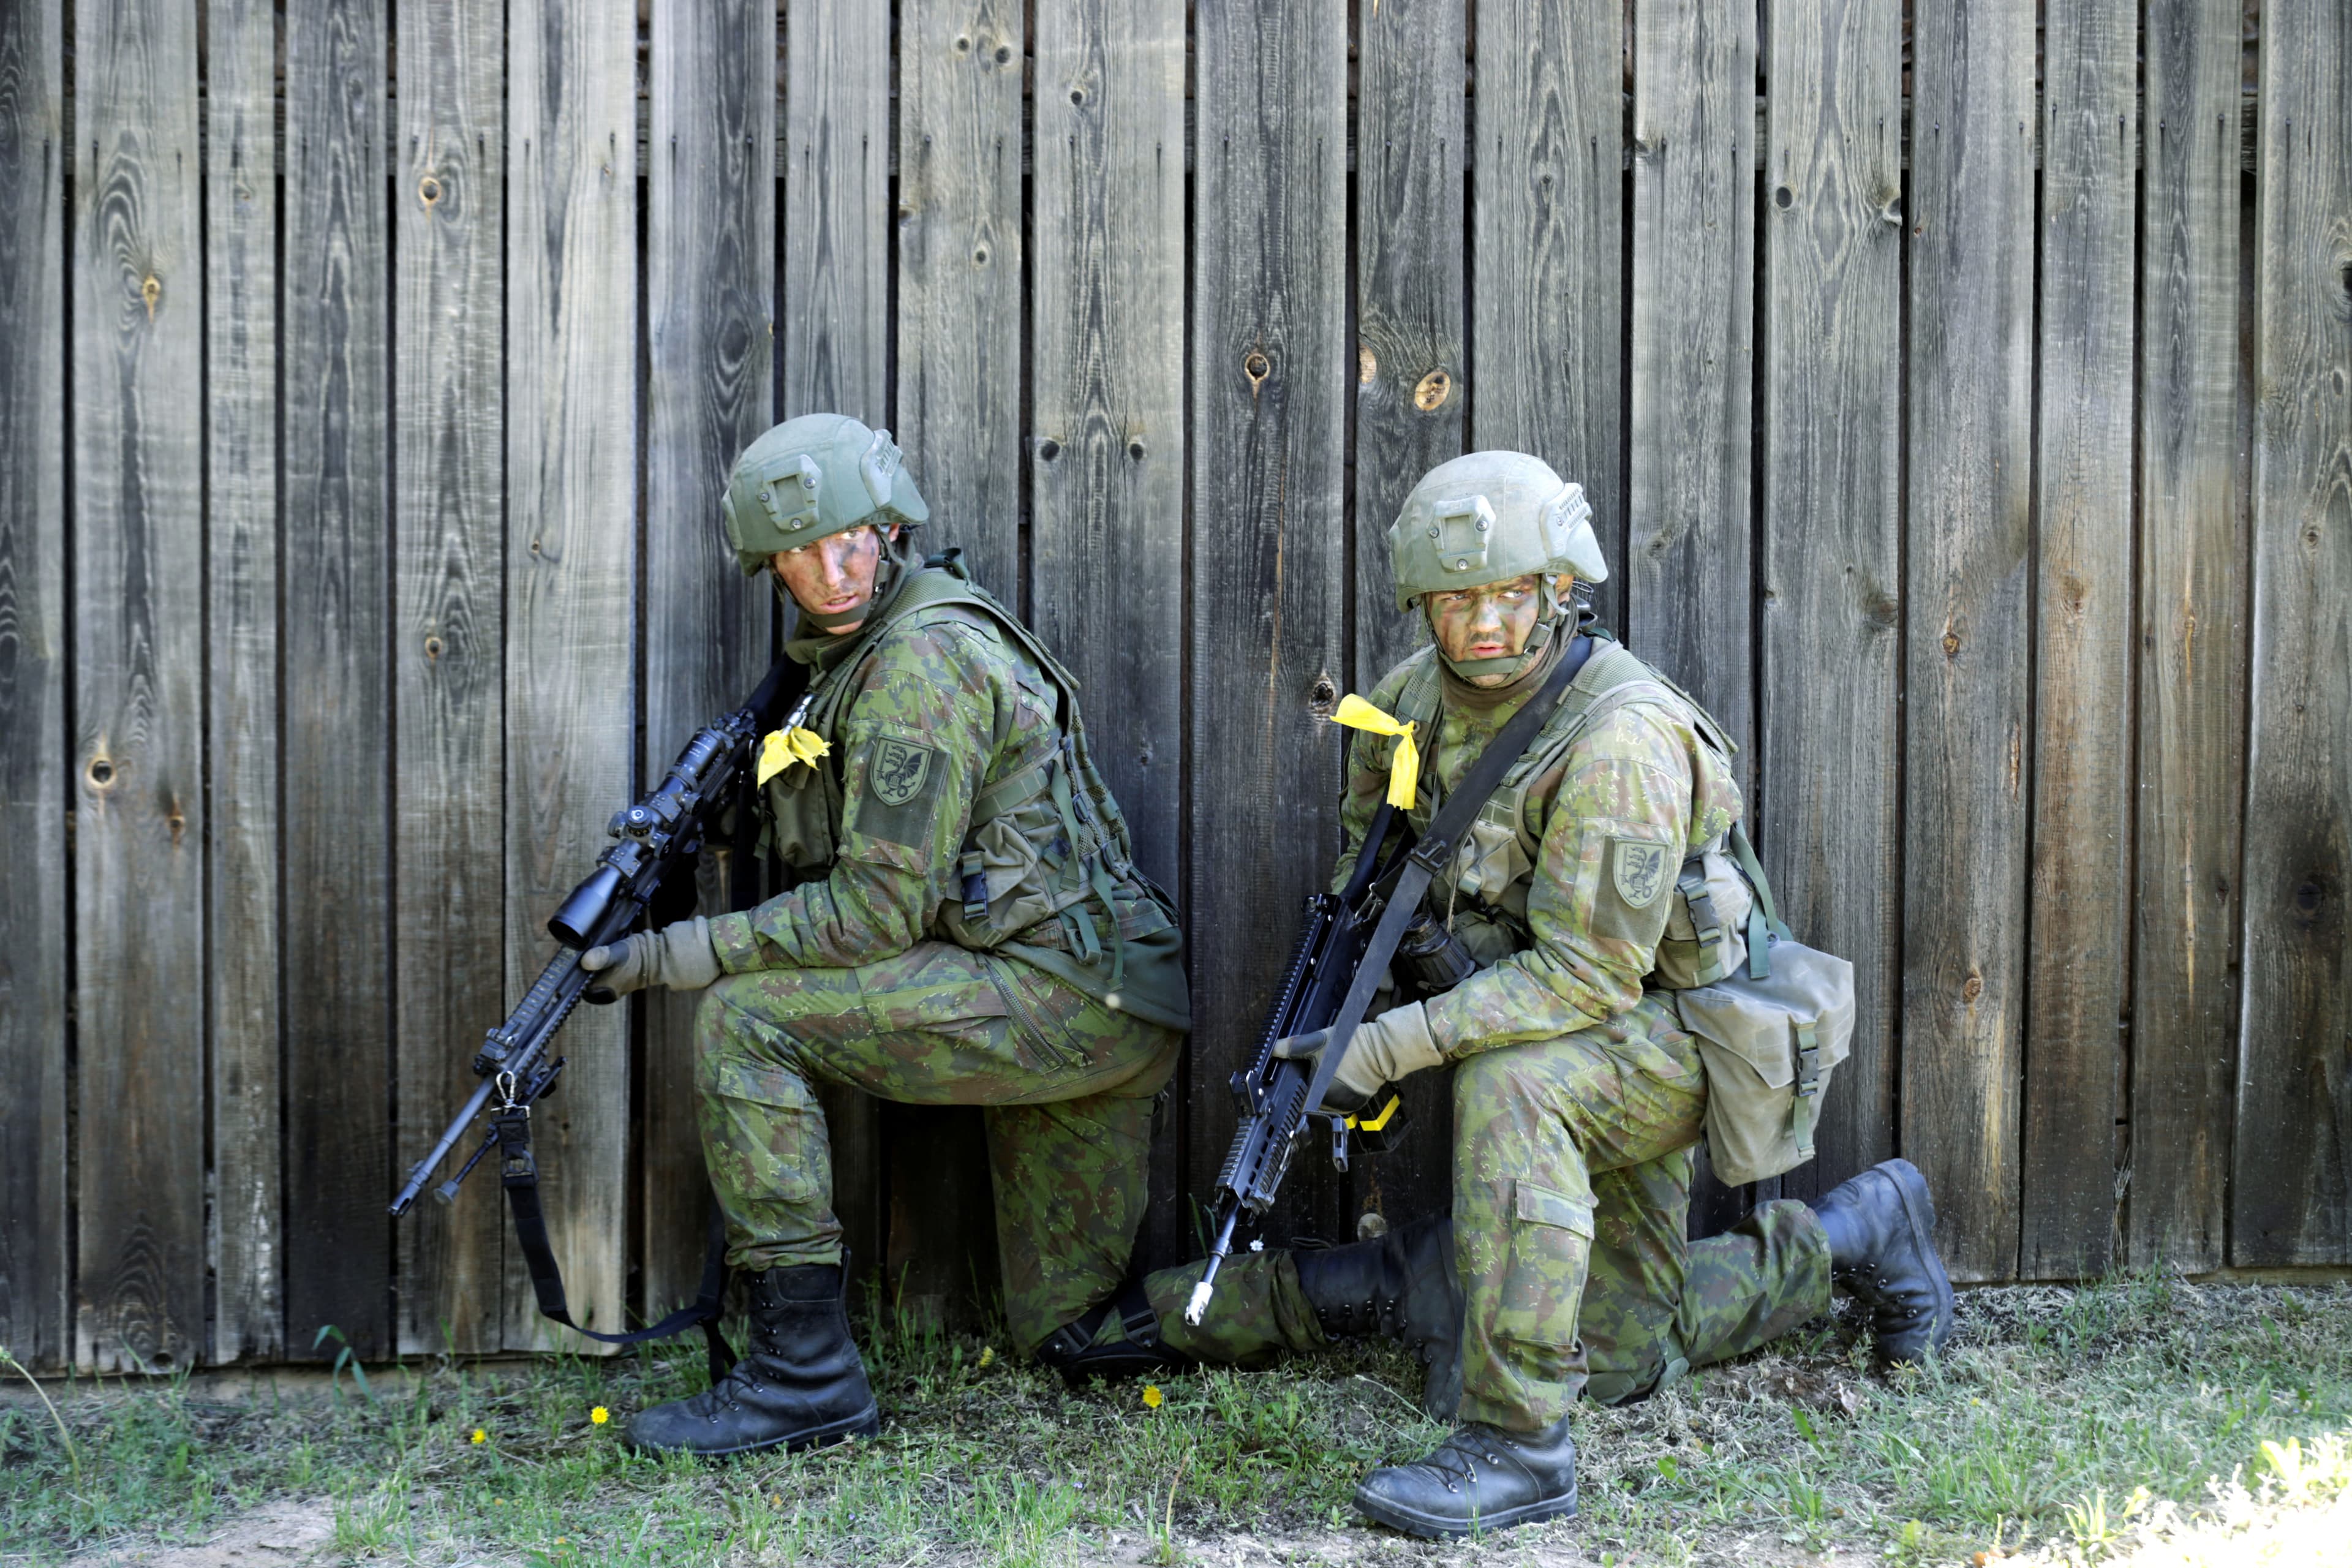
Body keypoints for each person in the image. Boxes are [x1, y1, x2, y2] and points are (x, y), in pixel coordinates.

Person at [586, 415, 1444, 1458]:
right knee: (1072, 1336)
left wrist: (668, 956)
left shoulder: (918, 667)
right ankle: (1386, 1284)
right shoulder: (880, 643)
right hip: (1101, 998)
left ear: (891, 528)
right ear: (770, 566)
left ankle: (801, 1376)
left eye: (854, 537)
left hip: (1061, 999)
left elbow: (871, 917)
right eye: (804, 553)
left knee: (741, 1020)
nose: (836, 568)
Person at [1134, 451, 1955, 1539]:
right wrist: (1343, 1008)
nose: (1481, 623)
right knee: (1619, 1355)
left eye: (1508, 593)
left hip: (1677, 1032)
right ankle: (1862, 1233)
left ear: (1560, 586)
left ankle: (1516, 1444)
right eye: (1455, 598)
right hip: (1570, 1023)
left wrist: (1387, 1050)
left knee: (1515, 1084)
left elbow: (1591, 972)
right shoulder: (1412, 702)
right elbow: (1370, 877)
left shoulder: (1620, 740)